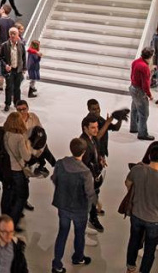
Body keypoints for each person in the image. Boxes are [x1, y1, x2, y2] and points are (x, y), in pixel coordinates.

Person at [124, 143, 158, 273]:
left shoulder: (137, 169)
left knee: (134, 242)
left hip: (136, 214)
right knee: (149, 250)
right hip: (154, 220)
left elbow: (127, 183)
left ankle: (130, 268)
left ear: (150, 156)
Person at [51, 138, 96, 273]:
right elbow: (89, 193)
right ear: (84, 152)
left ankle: (57, 264)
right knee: (79, 234)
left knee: (62, 233)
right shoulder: (85, 172)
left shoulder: (60, 163)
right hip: (79, 209)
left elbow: (54, 179)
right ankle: (78, 257)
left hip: (63, 205)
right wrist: (94, 204)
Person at [2, 112, 33, 230]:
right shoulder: (19, 137)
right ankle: (13, 222)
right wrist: (27, 145)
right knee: (22, 196)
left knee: (8, 195)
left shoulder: (5, 134)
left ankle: (4, 220)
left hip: (7, 169)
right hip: (17, 170)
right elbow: (26, 157)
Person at [79, 114, 107, 233]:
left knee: (95, 194)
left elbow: (97, 151)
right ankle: (91, 218)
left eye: (97, 127)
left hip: (95, 175)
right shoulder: (83, 143)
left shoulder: (93, 138)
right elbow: (84, 165)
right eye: (93, 127)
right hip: (88, 178)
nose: (96, 130)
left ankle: (93, 213)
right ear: (85, 128)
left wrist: (100, 159)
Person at [130, 47, 155, 140]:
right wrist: (149, 95)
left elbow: (133, 75)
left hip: (133, 87)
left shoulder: (135, 62)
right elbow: (145, 84)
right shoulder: (144, 67)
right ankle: (142, 133)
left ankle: (134, 127)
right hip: (139, 91)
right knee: (144, 113)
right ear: (150, 56)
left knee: (134, 109)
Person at [0, 28, 26, 112]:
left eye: (14, 34)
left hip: (18, 70)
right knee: (9, 87)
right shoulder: (4, 45)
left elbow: (24, 57)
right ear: (9, 34)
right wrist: (5, 65)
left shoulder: (21, 44)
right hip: (9, 70)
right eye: (11, 33)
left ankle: (17, 104)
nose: (12, 35)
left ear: (18, 35)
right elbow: (0, 58)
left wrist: (24, 68)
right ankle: (7, 104)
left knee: (17, 88)